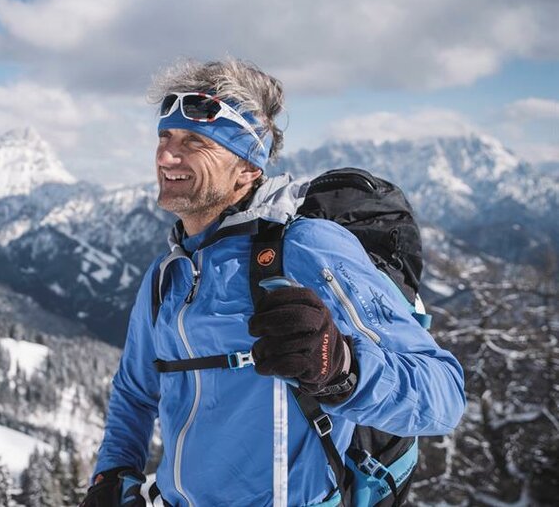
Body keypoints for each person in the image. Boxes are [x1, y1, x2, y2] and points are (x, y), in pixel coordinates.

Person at [79, 59, 465, 507]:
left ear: (247, 166)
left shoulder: (306, 248)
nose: (166, 156)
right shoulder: (167, 275)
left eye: (195, 142)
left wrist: (342, 370)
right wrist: (113, 473)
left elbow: (444, 395)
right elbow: (135, 390)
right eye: (164, 137)